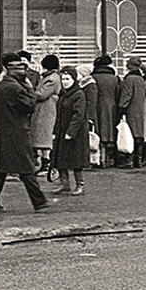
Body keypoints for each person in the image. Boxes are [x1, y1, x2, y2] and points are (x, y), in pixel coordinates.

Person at [0, 53, 54, 214]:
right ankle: (39, 202)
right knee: (26, 169)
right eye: (17, 67)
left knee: (1, 170)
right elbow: (30, 104)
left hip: (5, 133)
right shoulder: (15, 87)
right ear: (8, 68)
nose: (22, 70)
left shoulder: (1, 85)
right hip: (17, 132)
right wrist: (29, 88)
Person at [51, 67, 89, 195]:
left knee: (76, 159)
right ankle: (64, 183)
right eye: (63, 79)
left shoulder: (78, 94)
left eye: (68, 79)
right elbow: (59, 115)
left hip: (75, 133)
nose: (65, 82)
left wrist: (71, 132)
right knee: (61, 157)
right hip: (62, 130)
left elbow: (78, 115)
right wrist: (55, 131)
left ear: (74, 79)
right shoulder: (63, 94)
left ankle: (80, 185)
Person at [116, 55, 146, 169]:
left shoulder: (129, 79)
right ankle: (138, 159)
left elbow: (127, 95)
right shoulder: (141, 79)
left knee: (129, 134)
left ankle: (128, 160)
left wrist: (121, 109)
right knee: (139, 135)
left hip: (130, 111)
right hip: (139, 110)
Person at [30, 54, 61, 175]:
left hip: (46, 111)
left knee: (44, 137)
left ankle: (47, 164)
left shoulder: (51, 79)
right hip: (44, 111)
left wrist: (29, 91)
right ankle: (45, 163)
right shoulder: (51, 77)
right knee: (42, 137)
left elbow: (41, 94)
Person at [89, 55, 119, 167]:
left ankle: (98, 159)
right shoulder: (115, 79)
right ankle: (108, 159)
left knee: (96, 133)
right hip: (111, 109)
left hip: (96, 108)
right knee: (109, 133)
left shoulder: (92, 78)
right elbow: (118, 95)